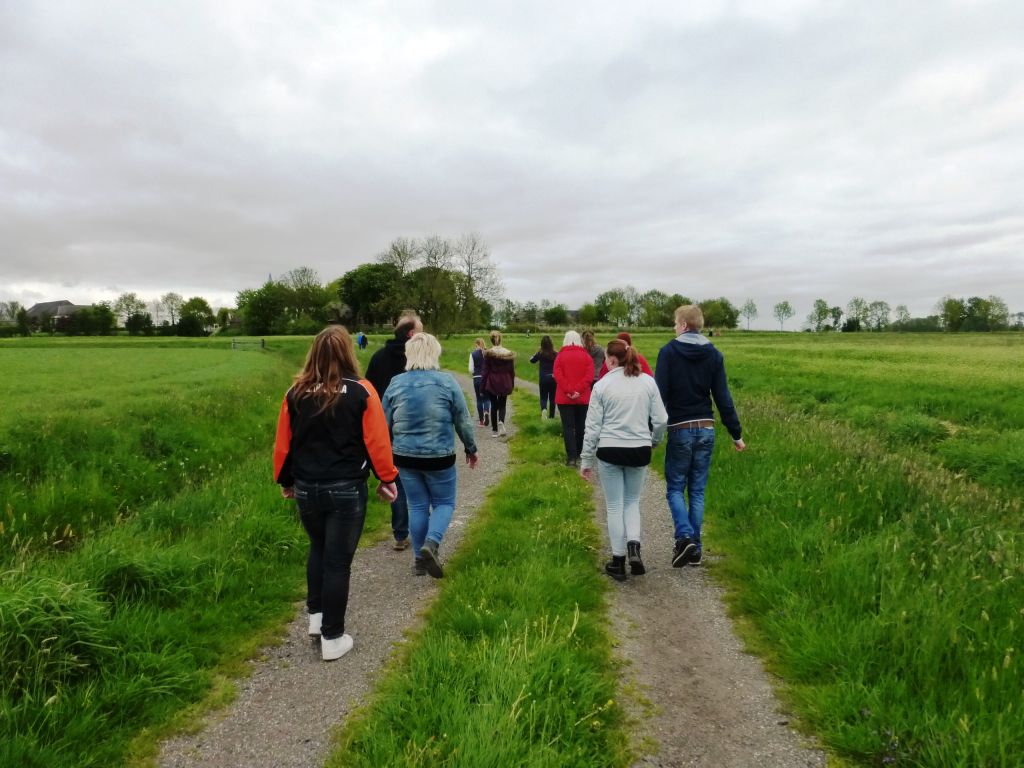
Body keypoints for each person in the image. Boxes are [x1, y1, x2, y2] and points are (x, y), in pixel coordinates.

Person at [273, 326, 399, 661]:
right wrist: (387, 478)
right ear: (348, 352)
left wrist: (285, 481)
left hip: (306, 488)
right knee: (338, 561)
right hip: (345, 488)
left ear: (313, 352)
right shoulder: (361, 391)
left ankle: (316, 620)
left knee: (318, 548)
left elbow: (285, 444)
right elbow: (377, 440)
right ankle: (332, 636)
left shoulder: (295, 392)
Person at [655, 305, 746, 568]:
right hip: (706, 427)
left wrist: (655, 435)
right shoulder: (714, 355)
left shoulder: (668, 353)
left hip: (680, 428)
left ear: (683, 325)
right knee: (696, 490)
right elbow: (723, 398)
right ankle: (695, 549)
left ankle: (685, 537)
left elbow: (660, 397)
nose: (674, 327)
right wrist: (735, 433)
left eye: (675, 323)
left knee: (674, 487)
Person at [382, 333, 479, 578]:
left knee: (416, 505)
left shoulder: (396, 383)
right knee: (444, 503)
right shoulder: (447, 382)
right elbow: (463, 419)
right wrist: (470, 448)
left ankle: (418, 560)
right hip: (439, 455)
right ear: (434, 353)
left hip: (404, 456)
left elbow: (383, 422)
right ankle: (432, 544)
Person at [580, 338, 667, 581]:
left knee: (615, 505)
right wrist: (654, 441)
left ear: (610, 359)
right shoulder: (648, 382)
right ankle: (634, 547)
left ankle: (618, 561)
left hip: (609, 449)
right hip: (639, 448)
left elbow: (592, 427)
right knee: (632, 502)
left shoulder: (602, 385)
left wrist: (586, 460)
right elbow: (661, 419)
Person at [365, 311, 422, 551]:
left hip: (387, 429)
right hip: (417, 428)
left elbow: (368, 392)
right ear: (411, 333)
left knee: (395, 477)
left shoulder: (379, 358)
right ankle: (423, 532)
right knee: (420, 480)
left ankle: (401, 534)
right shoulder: (419, 360)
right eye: (421, 330)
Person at [552, 330, 593, 467]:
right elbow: (589, 376)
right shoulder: (587, 356)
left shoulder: (560, 356)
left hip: (565, 398)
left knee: (568, 427)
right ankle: (580, 453)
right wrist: (578, 391)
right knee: (581, 426)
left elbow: (557, 375)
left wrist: (569, 390)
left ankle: (571, 458)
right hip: (582, 398)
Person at [480, 330, 516, 438]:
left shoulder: (488, 354)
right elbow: (512, 371)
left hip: (492, 381)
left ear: (491, 340)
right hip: (505, 381)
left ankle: (495, 430)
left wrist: (482, 387)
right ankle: (501, 422)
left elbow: (485, 371)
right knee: (502, 404)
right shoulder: (508, 353)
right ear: (501, 339)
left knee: (494, 405)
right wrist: (512, 383)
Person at [529, 335, 557, 419]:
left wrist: (534, 354)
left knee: (543, 396)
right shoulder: (555, 354)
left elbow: (532, 360)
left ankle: (544, 409)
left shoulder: (540, 353)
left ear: (542, 344)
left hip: (543, 378)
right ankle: (551, 416)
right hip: (553, 378)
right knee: (552, 398)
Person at [468, 337, 492, 427]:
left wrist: (475, 372)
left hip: (477, 378)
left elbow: (470, 369)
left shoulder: (473, 354)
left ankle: (481, 421)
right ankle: (486, 411)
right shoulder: (488, 353)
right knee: (487, 398)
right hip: (486, 378)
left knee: (479, 399)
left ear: (476, 344)